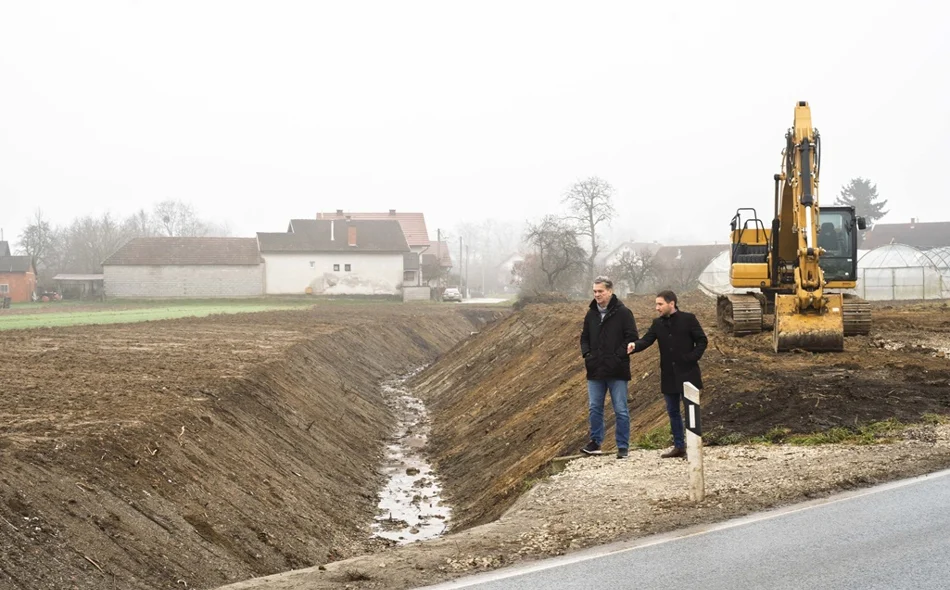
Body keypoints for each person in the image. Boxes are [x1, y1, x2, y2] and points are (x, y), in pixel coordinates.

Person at [627, 290, 707, 458]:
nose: (657, 308)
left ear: (672, 303)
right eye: (656, 304)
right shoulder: (657, 324)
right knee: (673, 411)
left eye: (660, 304)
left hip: (688, 373)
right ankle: (679, 447)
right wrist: (634, 345)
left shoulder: (688, 319)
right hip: (669, 375)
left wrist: (691, 358)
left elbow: (702, 340)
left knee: (691, 410)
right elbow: (647, 340)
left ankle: (694, 448)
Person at [579, 276, 639, 459]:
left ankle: (622, 447)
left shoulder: (623, 313)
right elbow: (584, 338)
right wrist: (587, 355)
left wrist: (617, 357)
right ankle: (595, 443)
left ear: (610, 291)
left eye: (600, 291)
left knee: (620, 409)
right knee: (594, 408)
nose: (597, 295)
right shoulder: (591, 314)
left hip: (617, 371)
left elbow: (632, 337)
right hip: (595, 370)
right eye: (595, 291)